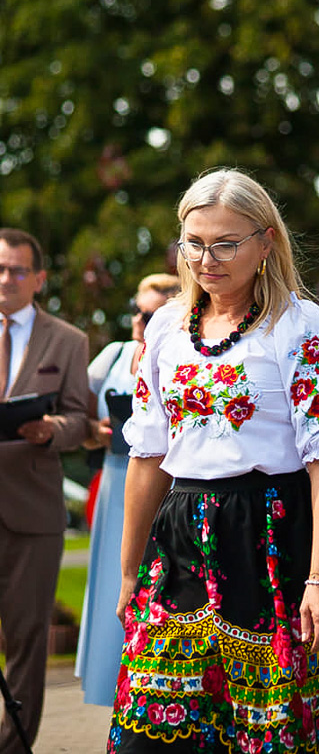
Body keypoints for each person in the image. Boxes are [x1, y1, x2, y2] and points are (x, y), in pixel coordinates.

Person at [106, 168, 319, 754]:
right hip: (180, 536)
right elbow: (147, 455)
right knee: (155, 732)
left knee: (270, 729)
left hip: (274, 533)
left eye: (226, 244)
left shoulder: (299, 324)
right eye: (195, 243)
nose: (207, 258)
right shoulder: (167, 326)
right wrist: (127, 571)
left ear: (265, 241)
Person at [0, 227, 89, 753]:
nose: (5, 279)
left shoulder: (68, 340)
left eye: (15, 270)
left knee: (28, 638)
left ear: (38, 278)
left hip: (32, 513)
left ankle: (14, 745)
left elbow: (81, 419)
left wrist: (50, 429)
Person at [75, 272, 180, 707]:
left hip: (167, 485)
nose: (142, 321)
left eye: (153, 314)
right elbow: (73, 408)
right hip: (116, 477)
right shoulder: (114, 355)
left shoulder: (178, 352)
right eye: (138, 312)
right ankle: (108, 688)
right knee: (110, 588)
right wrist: (92, 432)